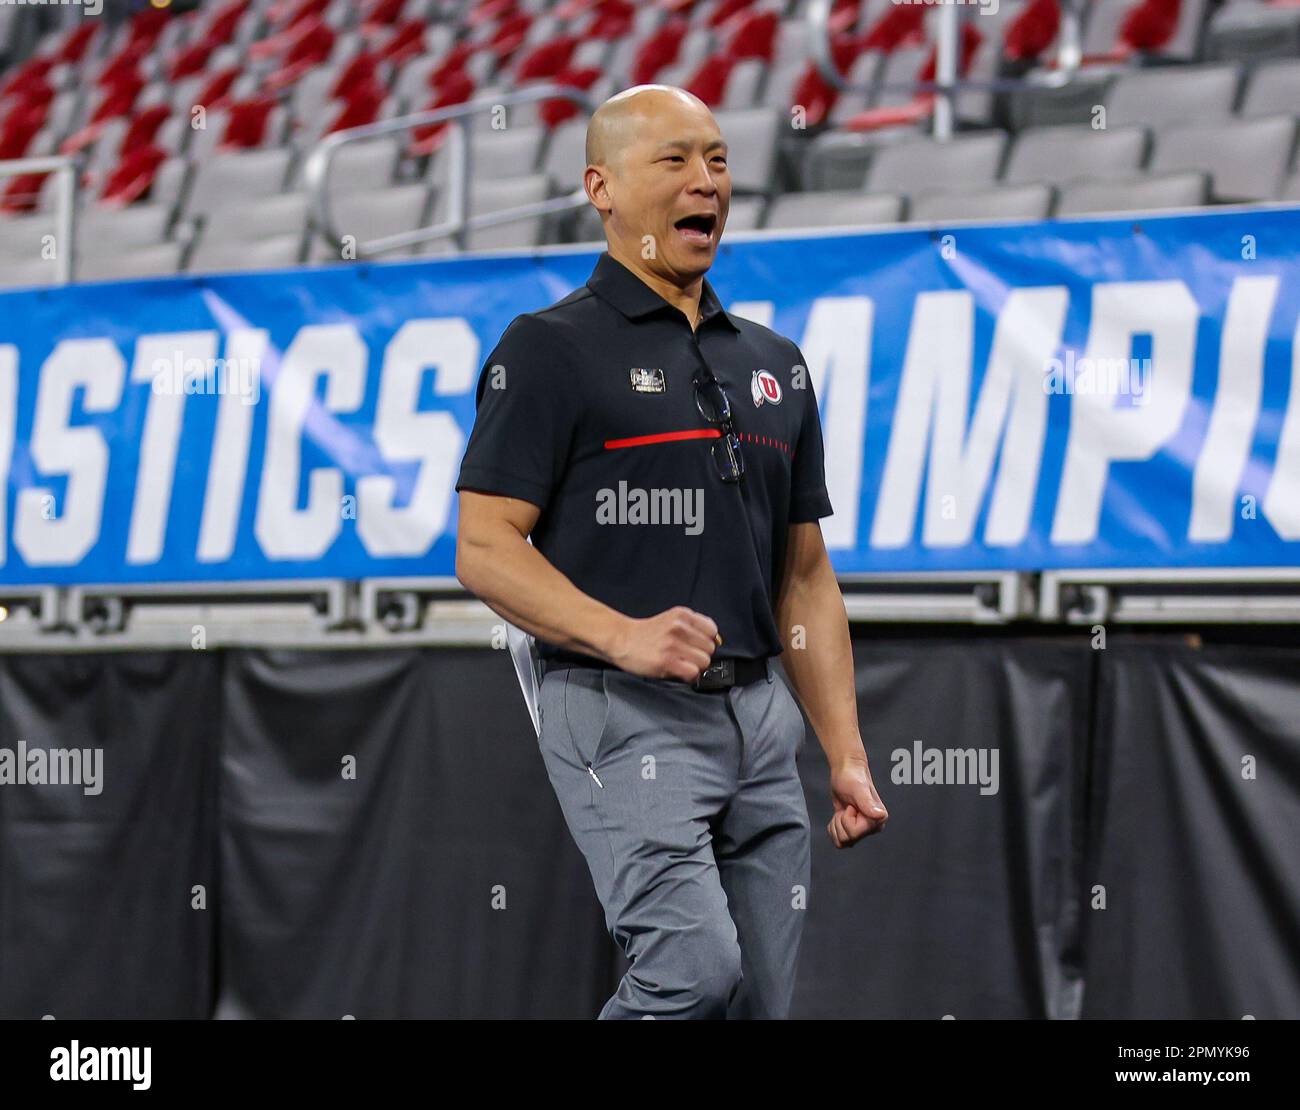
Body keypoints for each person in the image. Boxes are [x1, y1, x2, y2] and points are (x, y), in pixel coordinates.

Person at [455, 85, 888, 1019]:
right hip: (619, 712)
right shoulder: (546, 349)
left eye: (720, 160)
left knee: (758, 1005)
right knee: (693, 971)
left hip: (762, 718)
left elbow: (805, 576)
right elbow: (486, 547)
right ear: (600, 188)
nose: (707, 182)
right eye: (676, 161)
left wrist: (844, 752)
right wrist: (622, 637)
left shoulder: (775, 361)